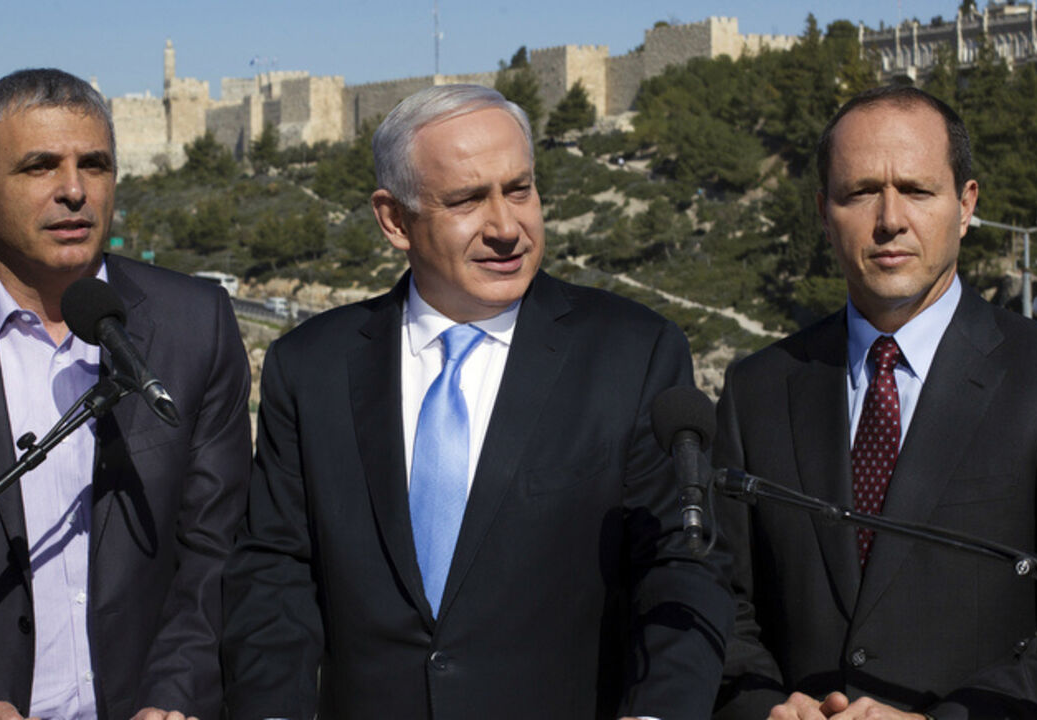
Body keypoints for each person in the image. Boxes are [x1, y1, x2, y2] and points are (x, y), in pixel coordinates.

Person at [222, 84, 733, 720]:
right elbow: (274, 573)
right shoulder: (312, 366)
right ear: (393, 220)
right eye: (468, 200)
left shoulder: (633, 354)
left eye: (519, 189)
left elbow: (681, 564)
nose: (505, 227)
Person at [712, 85, 1037, 719]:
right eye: (860, 193)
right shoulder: (758, 390)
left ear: (965, 206)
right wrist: (764, 706)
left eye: (916, 190)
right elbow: (722, 601)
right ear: (824, 212)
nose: (889, 220)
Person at [0, 69, 251, 720]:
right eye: (40, 167)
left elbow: (219, 547)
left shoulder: (193, 324)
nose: (73, 191)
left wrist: (174, 697)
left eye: (94, 164)